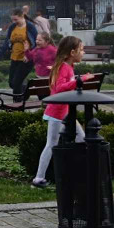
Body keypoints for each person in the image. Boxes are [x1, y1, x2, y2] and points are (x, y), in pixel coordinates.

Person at [32, 36, 91, 188]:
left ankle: (76, 173)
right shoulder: (64, 67)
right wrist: (80, 81)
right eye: (81, 50)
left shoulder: (68, 67)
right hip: (58, 112)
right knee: (52, 143)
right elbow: (59, 89)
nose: (83, 53)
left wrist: (77, 80)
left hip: (64, 111)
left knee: (80, 139)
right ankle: (39, 178)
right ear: (72, 52)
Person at [0, 10, 36, 99]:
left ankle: (17, 104)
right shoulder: (12, 27)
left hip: (26, 59)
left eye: (16, 20)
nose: (14, 22)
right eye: (13, 20)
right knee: (12, 83)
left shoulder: (30, 27)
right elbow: (7, 43)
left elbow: (36, 43)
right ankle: (26, 90)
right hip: (14, 58)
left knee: (16, 83)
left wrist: (29, 55)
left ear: (22, 16)